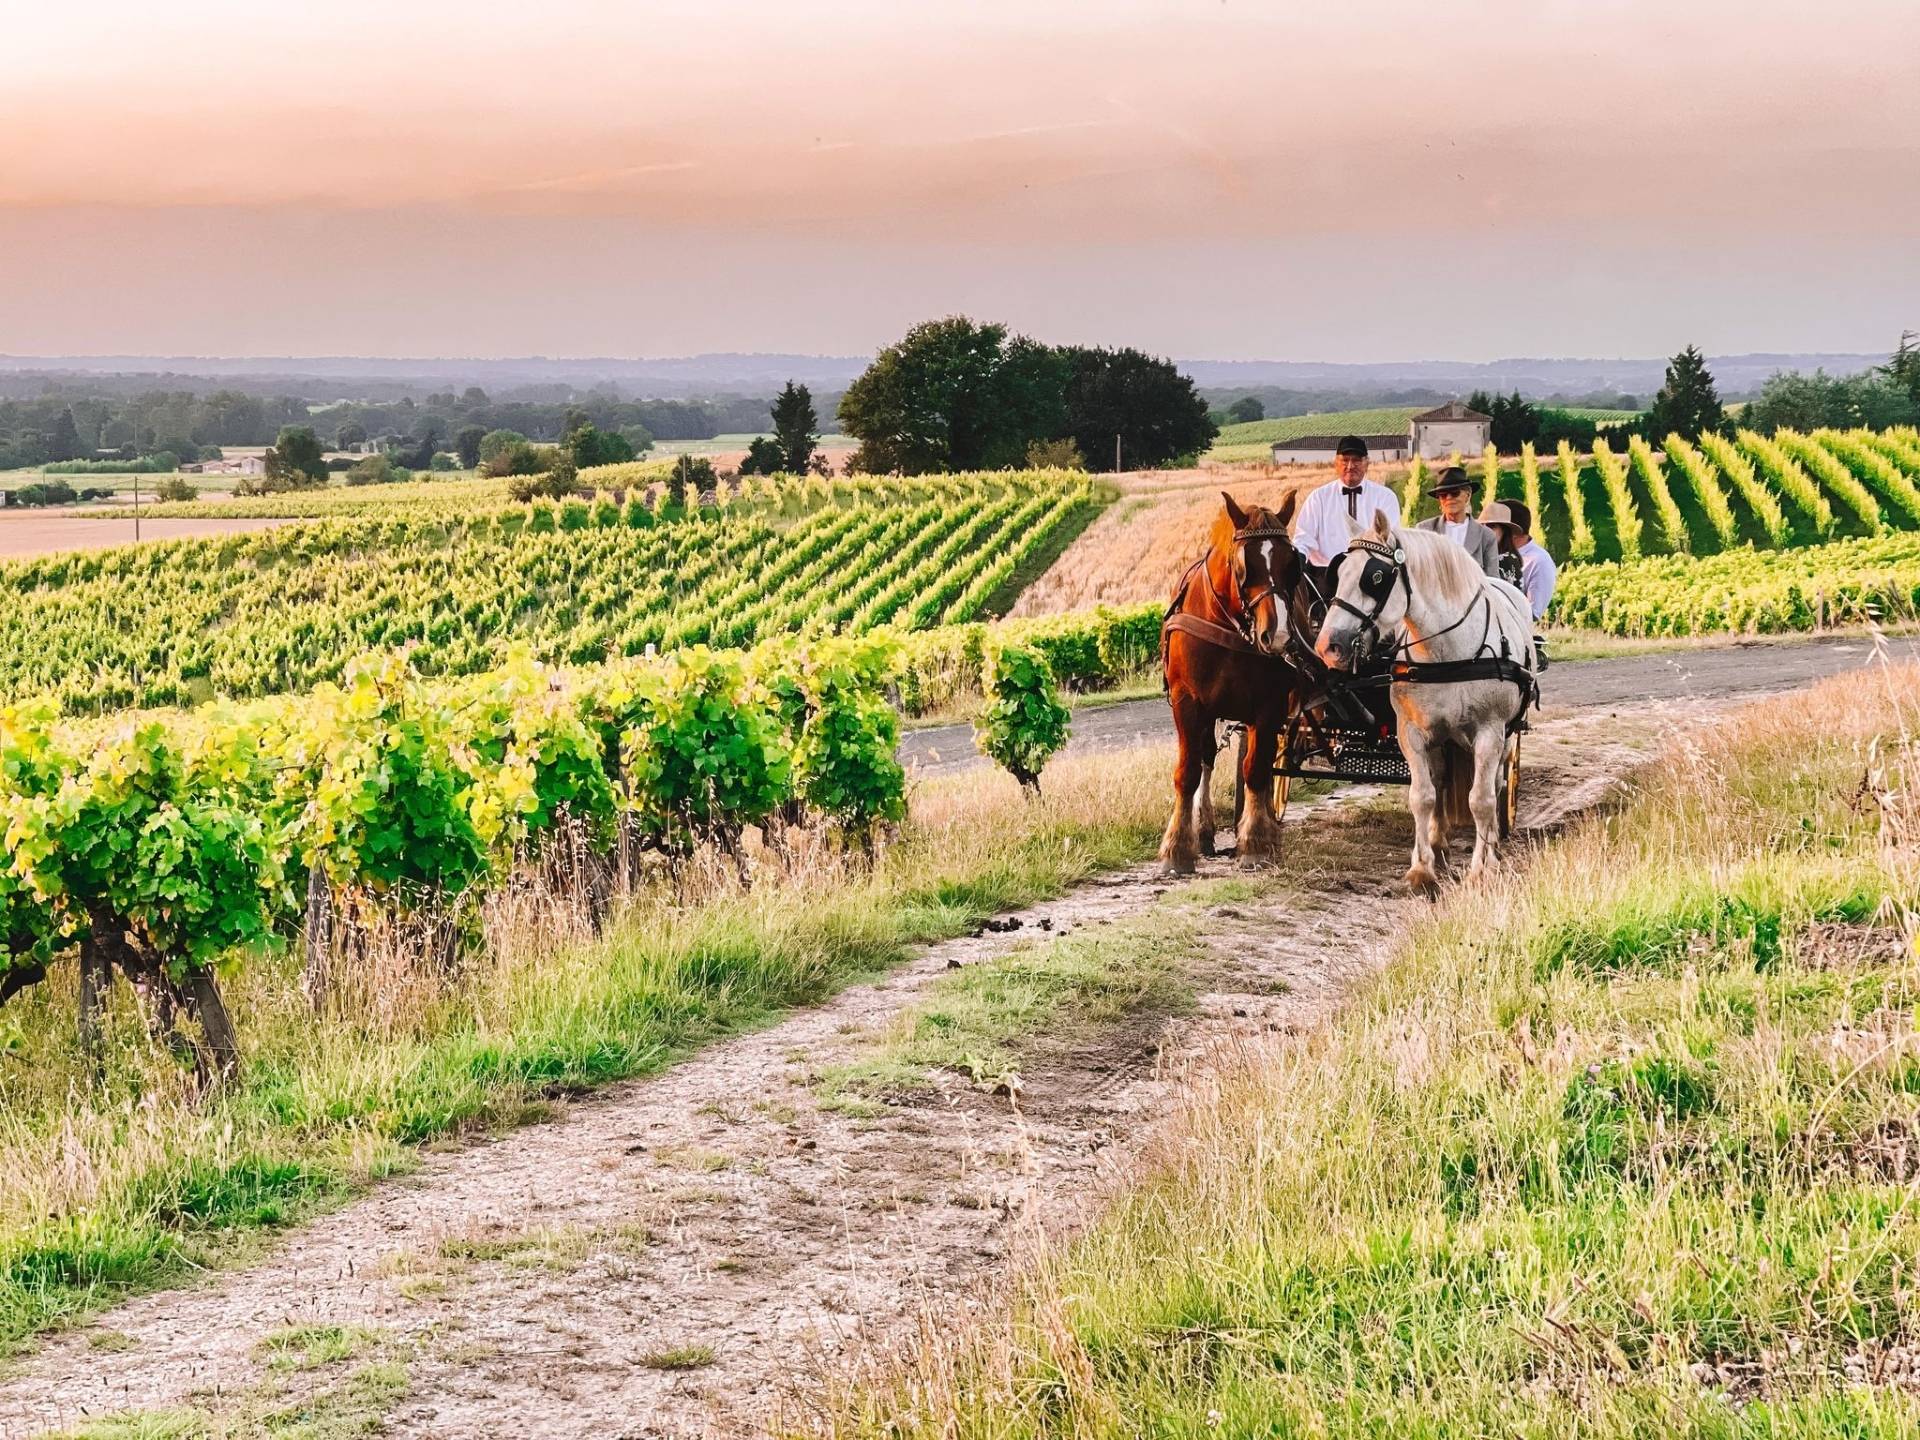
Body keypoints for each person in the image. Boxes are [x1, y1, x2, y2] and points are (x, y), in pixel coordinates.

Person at [1292, 435, 1402, 582]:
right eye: (1345, 460)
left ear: (1367, 463)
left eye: (1356, 460)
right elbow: (1303, 538)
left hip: (1370, 577)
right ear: (1336, 463)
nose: (1350, 466)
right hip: (1325, 577)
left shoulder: (1385, 497)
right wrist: (1298, 559)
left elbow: (1391, 539)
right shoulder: (1318, 498)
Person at [1413, 465, 1500, 577]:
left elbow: (1493, 579)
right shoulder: (1424, 531)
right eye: (1443, 495)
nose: (1449, 498)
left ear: (1467, 496)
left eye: (1455, 493)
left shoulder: (1486, 536)